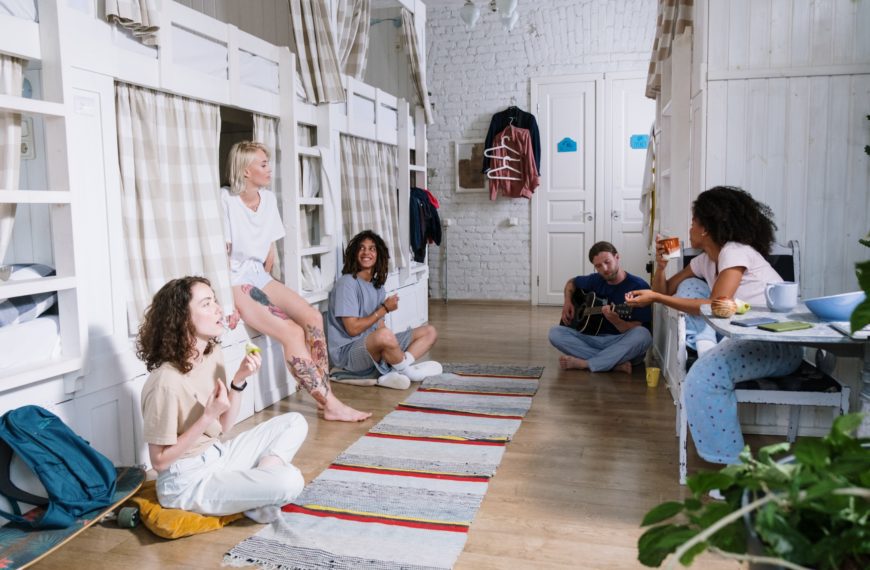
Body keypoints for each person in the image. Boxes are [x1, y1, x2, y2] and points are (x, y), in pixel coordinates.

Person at [625, 186, 802, 464]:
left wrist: (656, 296)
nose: (690, 228)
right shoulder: (705, 260)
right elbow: (668, 291)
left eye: (693, 222)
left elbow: (717, 304)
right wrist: (660, 268)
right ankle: (707, 343)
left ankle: (733, 467)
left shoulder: (735, 251)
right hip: (737, 338)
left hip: (774, 344)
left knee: (703, 376)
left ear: (706, 228)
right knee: (690, 286)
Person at [137, 276, 308, 524]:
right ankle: (257, 491)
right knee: (290, 480)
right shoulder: (165, 382)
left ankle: (255, 492)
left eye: (215, 301)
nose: (219, 309)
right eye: (206, 304)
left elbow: (223, 427)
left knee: (295, 422)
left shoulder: (211, 353)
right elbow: (159, 462)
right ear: (182, 318)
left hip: (219, 456)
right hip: (185, 481)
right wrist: (207, 416)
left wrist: (239, 380)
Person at [221, 141, 370, 422]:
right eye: (263, 164)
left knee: (313, 318)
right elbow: (223, 256)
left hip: (259, 275)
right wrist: (230, 302)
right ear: (244, 171)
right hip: (234, 279)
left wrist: (268, 284)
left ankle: (324, 397)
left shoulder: (268, 200)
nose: (269, 169)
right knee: (291, 332)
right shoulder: (226, 201)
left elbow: (268, 250)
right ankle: (332, 404)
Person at [327, 230, 441, 389]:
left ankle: (397, 368)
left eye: (372, 249)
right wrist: (384, 309)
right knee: (385, 336)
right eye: (361, 248)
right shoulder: (347, 283)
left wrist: (392, 346)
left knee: (429, 332)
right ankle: (407, 372)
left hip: (371, 343)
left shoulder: (377, 288)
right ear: (354, 253)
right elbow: (352, 329)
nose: (366, 252)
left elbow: (379, 326)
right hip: (347, 354)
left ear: (379, 255)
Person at [548, 241, 652, 373]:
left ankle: (587, 363)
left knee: (643, 335)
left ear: (617, 257)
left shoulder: (638, 286)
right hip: (593, 339)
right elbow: (571, 282)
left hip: (620, 341)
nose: (604, 269)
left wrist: (617, 321)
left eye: (607, 262)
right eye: (598, 266)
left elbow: (638, 328)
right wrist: (567, 301)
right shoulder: (595, 280)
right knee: (555, 333)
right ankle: (612, 363)